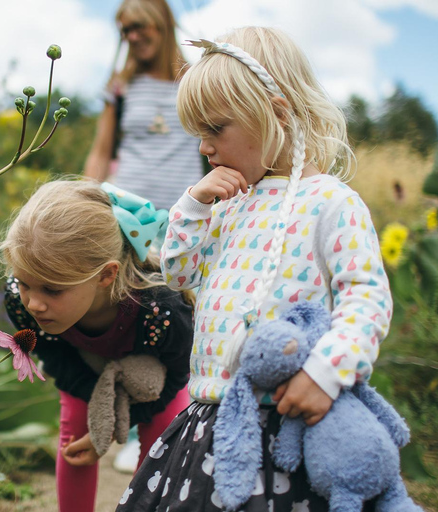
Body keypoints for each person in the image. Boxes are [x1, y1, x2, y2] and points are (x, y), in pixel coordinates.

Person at [116, 26, 394, 511]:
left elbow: (366, 297)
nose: (204, 148)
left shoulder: (331, 202)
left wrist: (327, 374)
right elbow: (180, 276)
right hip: (213, 417)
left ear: (277, 112)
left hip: (293, 420)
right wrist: (191, 208)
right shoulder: (227, 205)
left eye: (215, 129)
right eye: (198, 134)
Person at [0, 179, 194, 512]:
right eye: (25, 282)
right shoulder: (22, 299)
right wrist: (96, 421)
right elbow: (55, 356)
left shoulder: (163, 310)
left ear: (106, 275)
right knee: (75, 439)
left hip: (156, 376)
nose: (34, 304)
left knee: (164, 443)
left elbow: (178, 372)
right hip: (84, 366)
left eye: (52, 290)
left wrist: (119, 419)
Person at [83, 0, 204, 212]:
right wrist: (84, 203)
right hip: (127, 214)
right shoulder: (120, 86)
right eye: (127, 30)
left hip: (186, 214)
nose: (132, 36)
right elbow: (100, 153)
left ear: (161, 23)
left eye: (139, 26)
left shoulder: (196, 83)